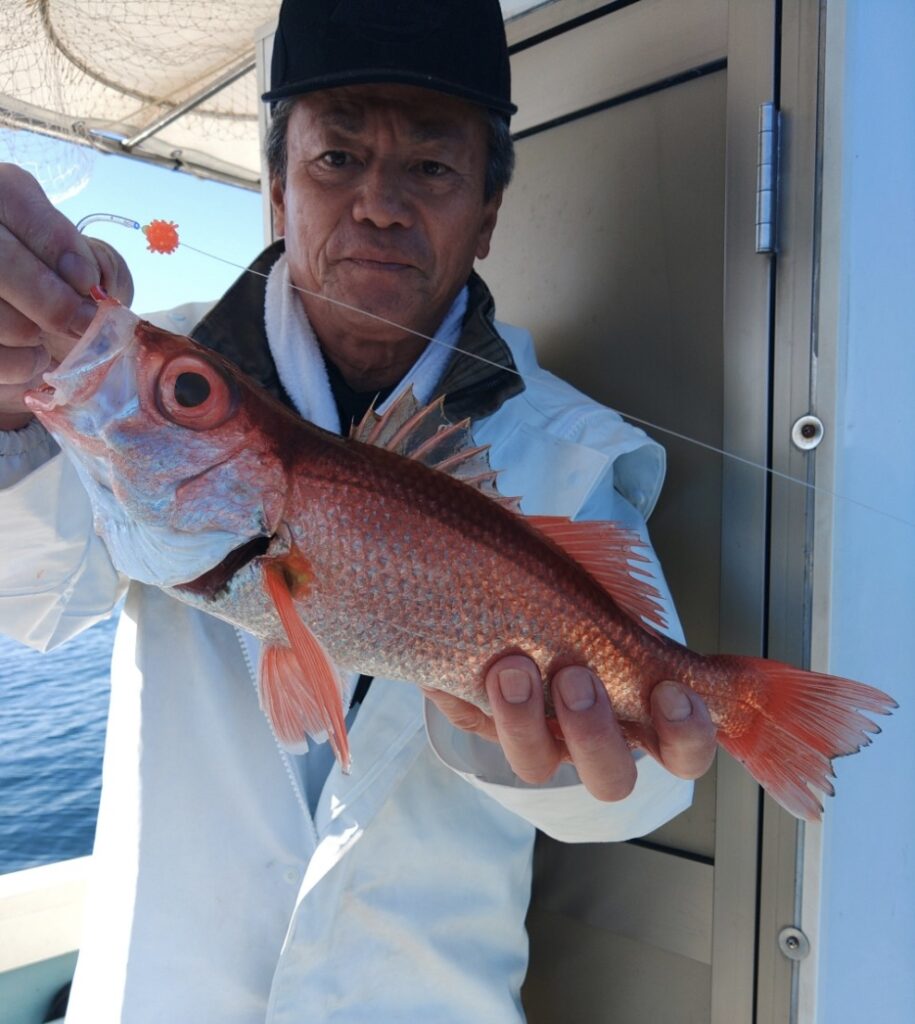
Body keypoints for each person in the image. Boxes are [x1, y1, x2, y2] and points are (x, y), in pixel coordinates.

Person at [0, 0, 716, 1019]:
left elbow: (656, 785)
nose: (377, 203)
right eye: (336, 157)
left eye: (429, 166)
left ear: (489, 212)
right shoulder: (145, 391)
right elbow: (22, 592)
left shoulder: (574, 453)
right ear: (280, 192)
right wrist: (7, 409)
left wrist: (514, 737)